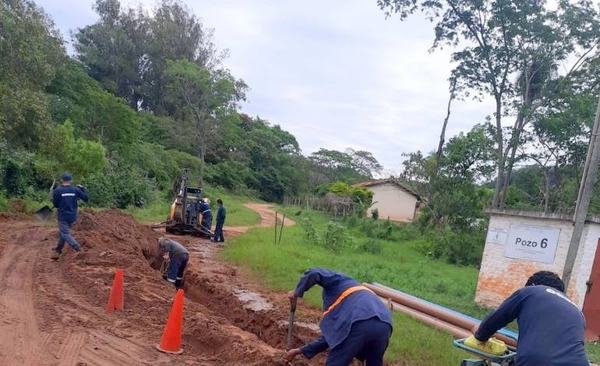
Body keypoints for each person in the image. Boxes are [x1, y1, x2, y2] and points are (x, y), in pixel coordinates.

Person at [471, 270, 589, 366]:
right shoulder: (578, 311)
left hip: (537, 361)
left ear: (532, 285)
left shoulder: (530, 291)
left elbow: (496, 319)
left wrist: (480, 334)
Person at [285, 267, 393, 366]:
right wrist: (299, 351)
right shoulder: (354, 292)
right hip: (385, 325)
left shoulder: (337, 281)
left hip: (358, 322)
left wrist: (296, 292)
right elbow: (329, 338)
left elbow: (314, 273)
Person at [51, 172, 89, 260]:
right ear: (71, 180)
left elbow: (55, 204)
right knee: (63, 233)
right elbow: (86, 198)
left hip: (62, 216)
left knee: (65, 233)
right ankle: (57, 251)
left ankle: (77, 247)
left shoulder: (57, 190)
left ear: (61, 180)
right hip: (72, 216)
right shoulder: (76, 190)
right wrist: (83, 189)